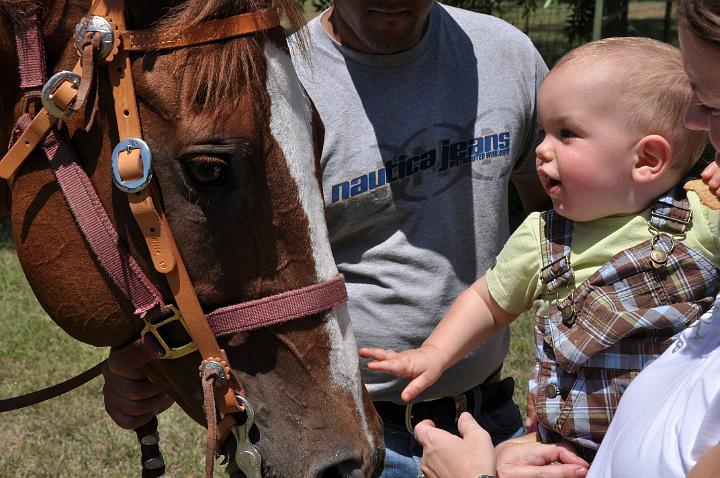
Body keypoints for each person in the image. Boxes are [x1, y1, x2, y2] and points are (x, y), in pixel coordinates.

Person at [102, 1, 552, 476]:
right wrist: (146, 355)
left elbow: (565, 227)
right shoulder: (270, 77)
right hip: (329, 438)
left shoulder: (506, 57)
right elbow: (209, 250)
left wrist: (564, 374)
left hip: (490, 429)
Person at [361, 36, 717, 461]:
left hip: (663, 446)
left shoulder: (701, 218)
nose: (541, 149)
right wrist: (435, 352)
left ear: (646, 160)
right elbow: (489, 301)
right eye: (544, 131)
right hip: (564, 451)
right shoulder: (543, 237)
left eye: (567, 134)